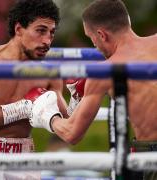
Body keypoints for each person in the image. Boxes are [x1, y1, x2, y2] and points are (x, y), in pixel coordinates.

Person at [28, 0, 157, 180]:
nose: (94, 46)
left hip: (149, 156)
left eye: (91, 38)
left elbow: (72, 133)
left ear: (101, 35)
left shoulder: (105, 71)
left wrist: (46, 114)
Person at [0, 0, 68, 179]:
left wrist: (77, 97)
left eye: (51, 33)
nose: (47, 41)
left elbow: (66, 127)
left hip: (23, 157)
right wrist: (23, 108)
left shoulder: (49, 72)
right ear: (19, 29)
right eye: (41, 31)